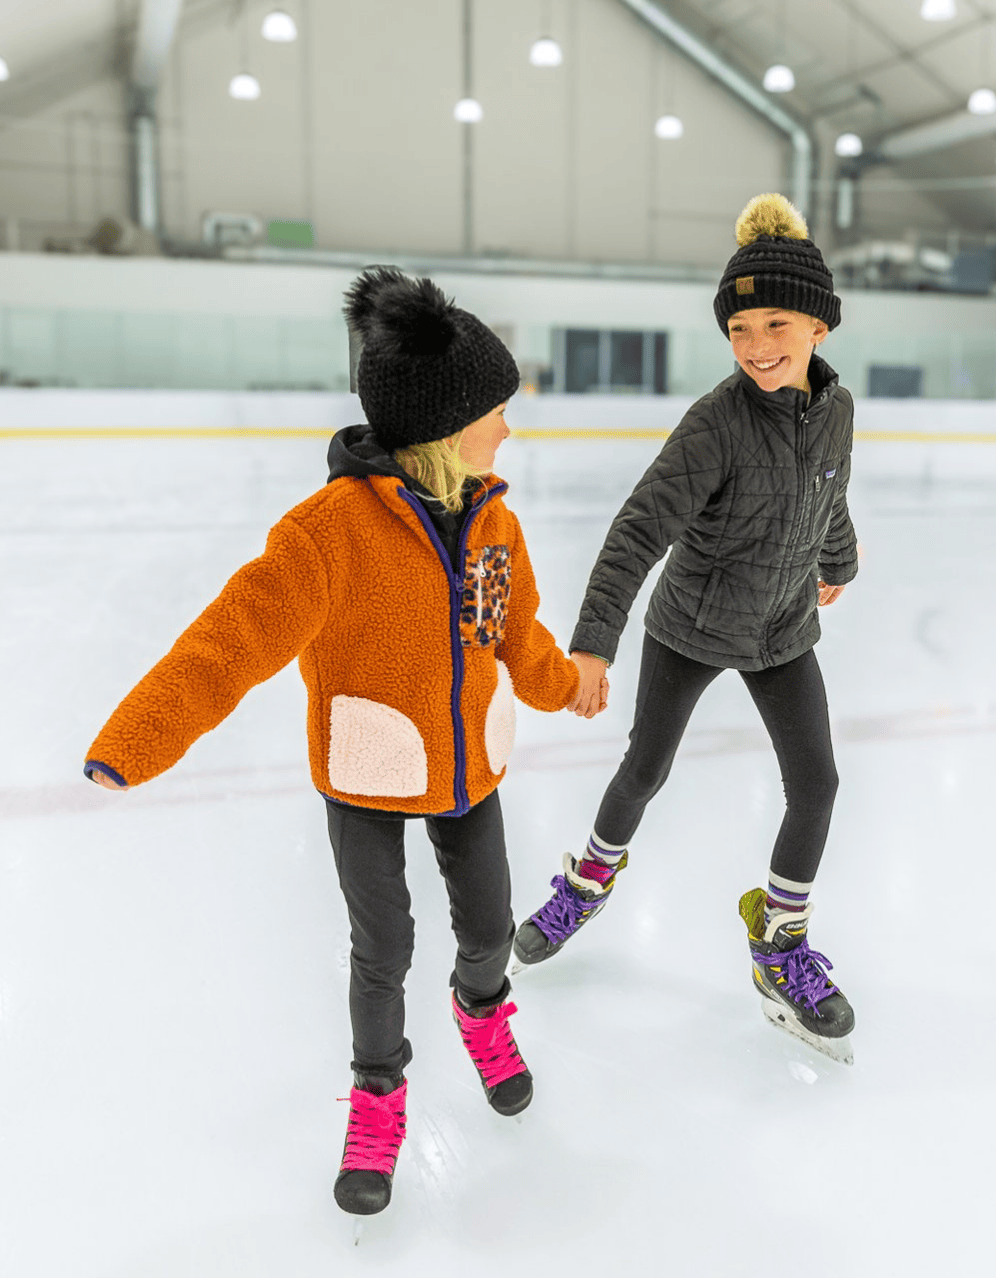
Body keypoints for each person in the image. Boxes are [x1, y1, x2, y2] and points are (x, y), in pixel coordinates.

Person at [82, 267, 608, 1216]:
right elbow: (231, 639)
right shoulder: (330, 534)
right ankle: (378, 1097)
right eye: (497, 411)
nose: (508, 429)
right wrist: (140, 736)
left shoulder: (495, 522)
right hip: (369, 771)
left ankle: (483, 1017)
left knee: (489, 928)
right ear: (446, 426)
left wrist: (563, 682)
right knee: (385, 946)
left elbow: (513, 630)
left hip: (470, 771)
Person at [508, 193, 861, 1064]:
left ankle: (779, 941)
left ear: (819, 325)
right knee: (645, 768)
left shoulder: (836, 408)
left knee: (816, 785)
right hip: (692, 626)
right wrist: (593, 642)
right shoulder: (717, 423)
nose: (756, 346)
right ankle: (586, 881)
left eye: (775, 323)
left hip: (781, 626)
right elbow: (639, 527)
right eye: (739, 329)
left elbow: (827, 489)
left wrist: (838, 563)